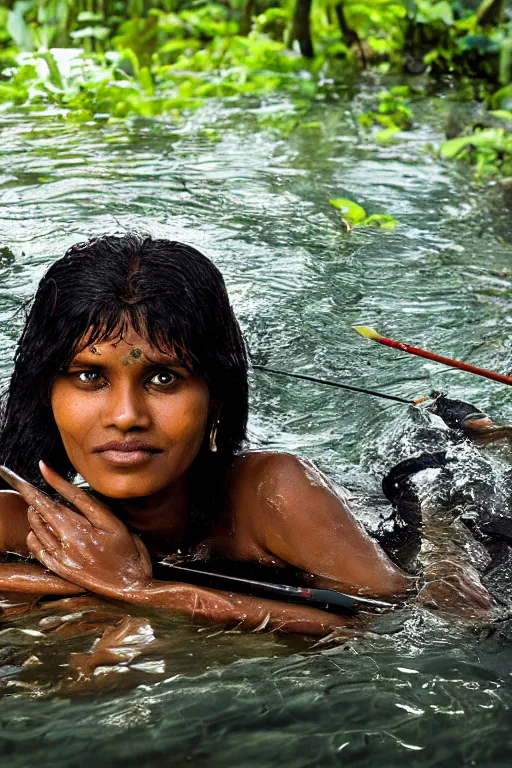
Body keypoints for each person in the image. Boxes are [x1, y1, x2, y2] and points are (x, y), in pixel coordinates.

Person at [0, 233, 493, 638]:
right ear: (46, 394)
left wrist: (141, 590)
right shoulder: (26, 516)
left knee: (434, 488)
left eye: (164, 378)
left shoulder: (272, 492)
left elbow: (412, 624)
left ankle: (470, 434)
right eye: (90, 378)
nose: (126, 416)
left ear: (216, 397)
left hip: (418, 519)